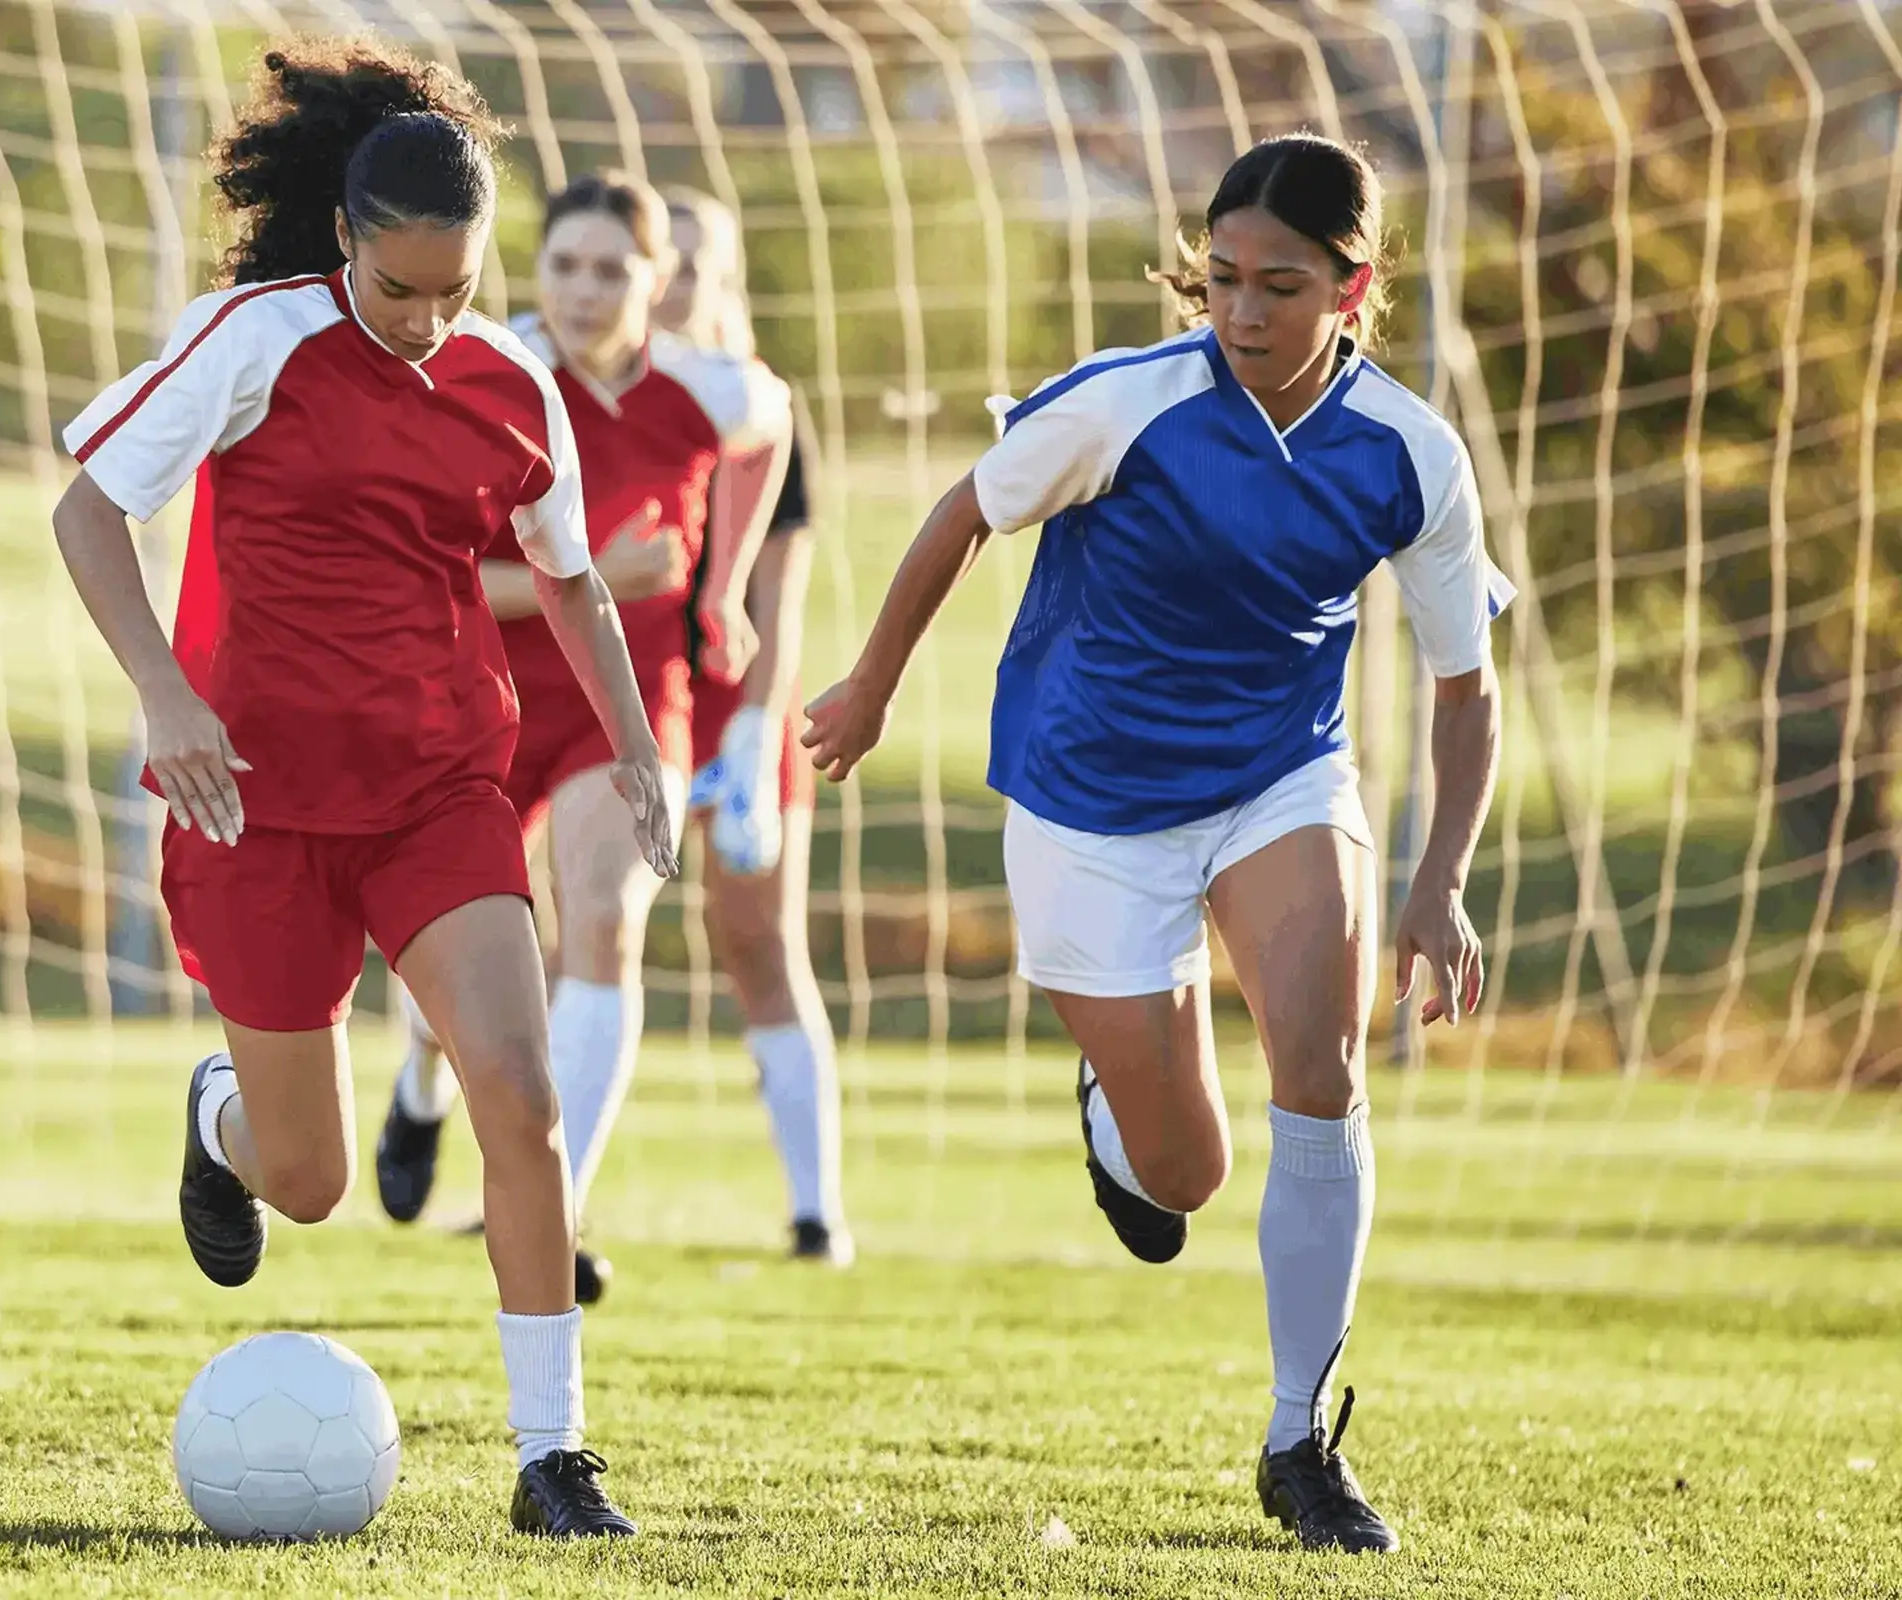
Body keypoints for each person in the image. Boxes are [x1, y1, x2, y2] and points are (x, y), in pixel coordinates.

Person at [803, 133, 1503, 1555]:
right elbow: (960, 516)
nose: (1244, 311)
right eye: (1224, 279)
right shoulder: (1128, 405)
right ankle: (1119, 1107)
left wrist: (1438, 884)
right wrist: (869, 686)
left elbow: (1463, 686)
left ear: (1353, 290)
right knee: (1184, 1175)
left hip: (1279, 783)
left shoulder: (1412, 455)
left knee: (1324, 1062)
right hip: (1087, 803)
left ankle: (1300, 1441)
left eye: (1282, 286)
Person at [52, 41, 682, 1538]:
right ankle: (223, 1125)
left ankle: (554, 1458)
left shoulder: (512, 384)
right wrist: (164, 688)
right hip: (252, 804)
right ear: (343, 237)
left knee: (518, 1098)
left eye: (455, 290)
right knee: (314, 1181)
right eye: (398, 288)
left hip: (436, 793)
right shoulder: (250, 339)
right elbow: (88, 512)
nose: (426, 320)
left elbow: (574, 583)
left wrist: (640, 747)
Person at [364, 175, 818, 1295]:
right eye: (564, 263)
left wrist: (720, 587)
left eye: (612, 268)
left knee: (608, 921)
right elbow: (440, 570)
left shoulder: (710, 388)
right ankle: (421, 1084)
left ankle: (549, 1210)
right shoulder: (487, 370)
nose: (584, 288)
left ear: (656, 283)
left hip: (625, 700)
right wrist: (599, 575)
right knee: (451, 974)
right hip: (480, 696)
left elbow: (773, 426)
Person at [657, 185, 853, 1265]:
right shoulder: (592, 397)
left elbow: (782, 604)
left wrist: (749, 737)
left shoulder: (765, 410)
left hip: (739, 709)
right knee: (565, 940)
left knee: (759, 942)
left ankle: (818, 1211)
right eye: (663, 258)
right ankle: (542, 1186)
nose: (677, 280)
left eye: (698, 262)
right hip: (622, 704)